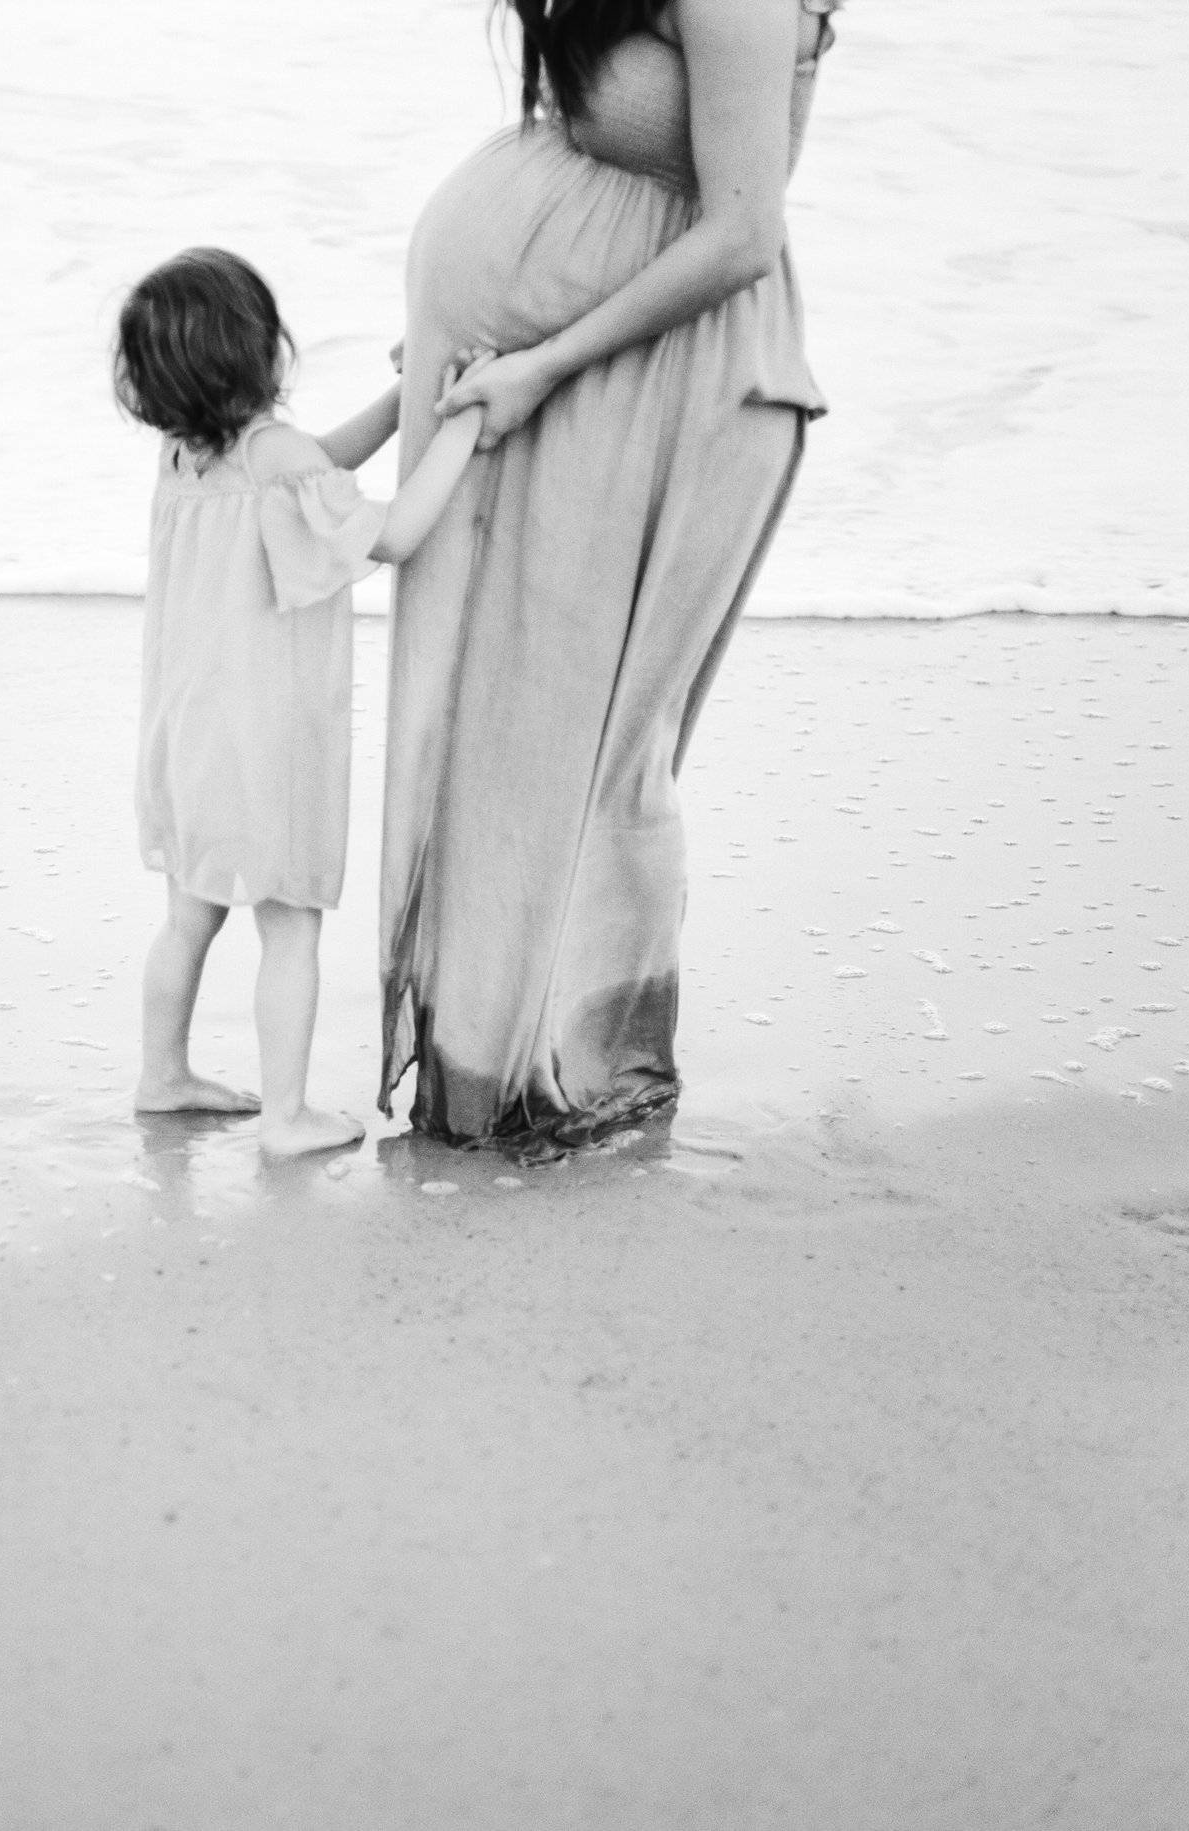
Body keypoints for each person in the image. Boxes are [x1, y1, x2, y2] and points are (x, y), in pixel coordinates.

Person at [380, 0, 842, 1156]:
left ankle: (591, 1075)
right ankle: (489, 1073)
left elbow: (742, 231)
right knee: (504, 729)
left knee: (602, 752)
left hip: (675, 385)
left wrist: (541, 359)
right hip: (570, 375)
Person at [113, 248, 493, 1158]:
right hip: (267, 736)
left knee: (188, 917)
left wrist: (407, 404)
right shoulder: (270, 455)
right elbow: (393, 532)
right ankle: (285, 1115)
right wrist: (464, 431)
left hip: (189, 730)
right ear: (256, 349)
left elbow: (317, 465)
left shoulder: (187, 456)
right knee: (290, 928)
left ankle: (162, 1075)